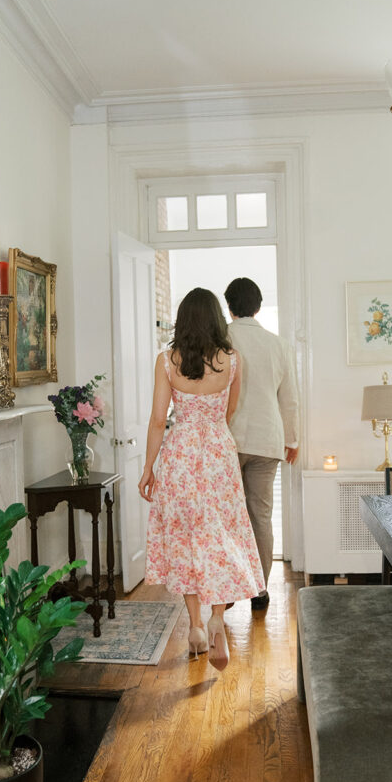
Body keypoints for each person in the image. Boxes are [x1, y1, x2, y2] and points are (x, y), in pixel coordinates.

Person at [138, 288, 265, 672]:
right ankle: (216, 618)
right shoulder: (231, 361)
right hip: (218, 455)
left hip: (179, 455)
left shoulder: (168, 360)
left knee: (186, 539)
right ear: (214, 318)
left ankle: (194, 626)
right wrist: (210, 435)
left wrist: (149, 467)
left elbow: (159, 419)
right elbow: (230, 410)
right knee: (221, 535)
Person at [224, 277, 300, 610]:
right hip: (268, 439)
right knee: (261, 517)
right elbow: (290, 399)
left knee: (223, 515)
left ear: (229, 305)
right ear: (257, 306)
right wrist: (292, 438)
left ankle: (225, 593)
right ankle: (260, 589)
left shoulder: (220, 339)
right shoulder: (279, 345)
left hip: (226, 439)